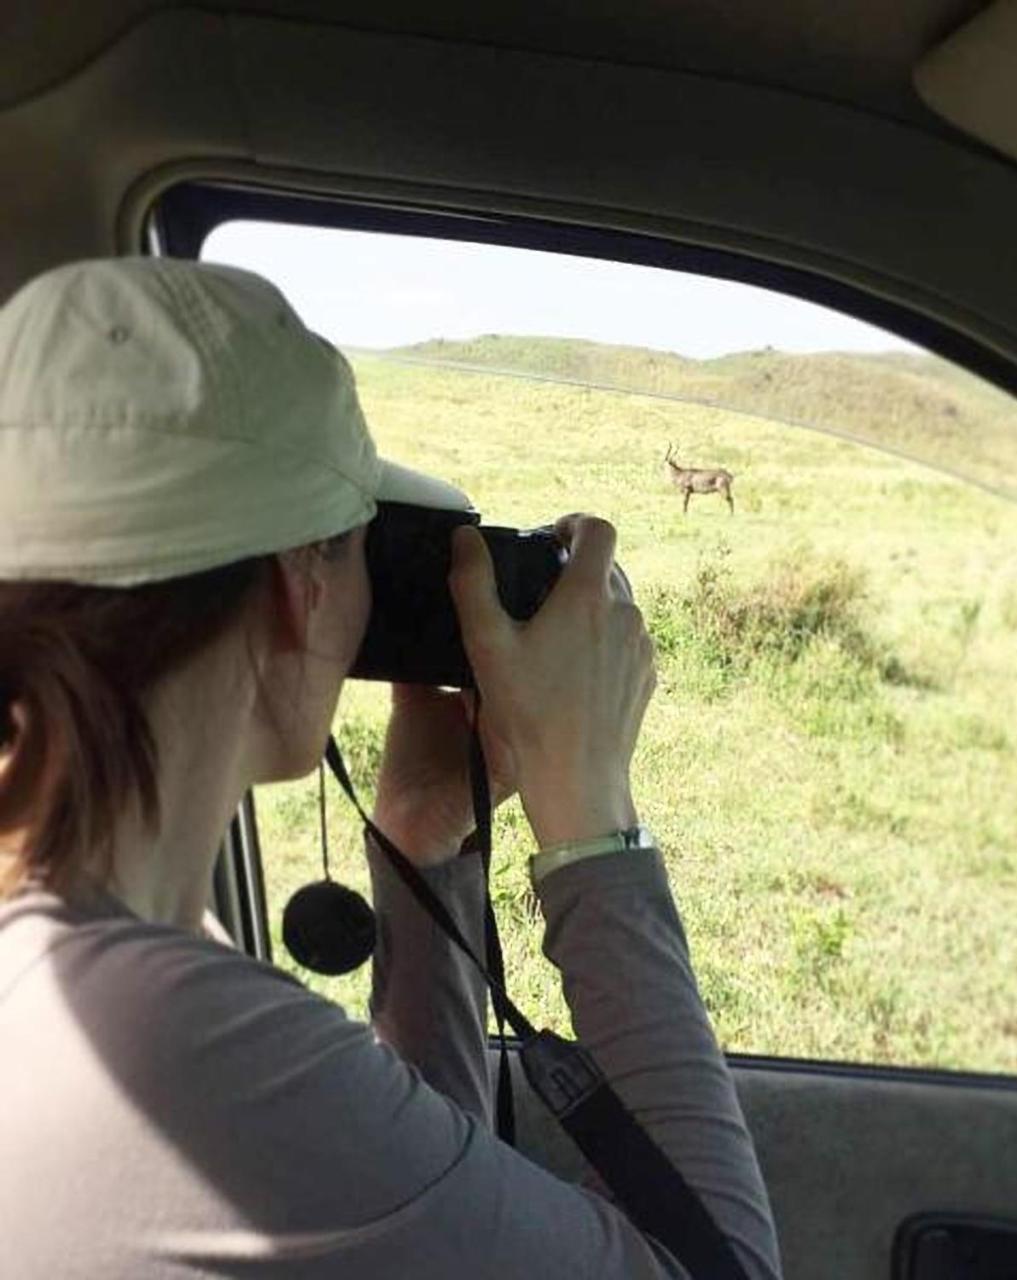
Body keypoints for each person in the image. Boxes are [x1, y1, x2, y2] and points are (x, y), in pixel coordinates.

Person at [0, 258, 781, 1278]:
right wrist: (590, 809)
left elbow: (407, 1218)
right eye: (367, 549)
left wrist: (423, 842)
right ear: (299, 586)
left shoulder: (92, 959)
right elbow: (722, 1265)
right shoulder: (172, 1036)